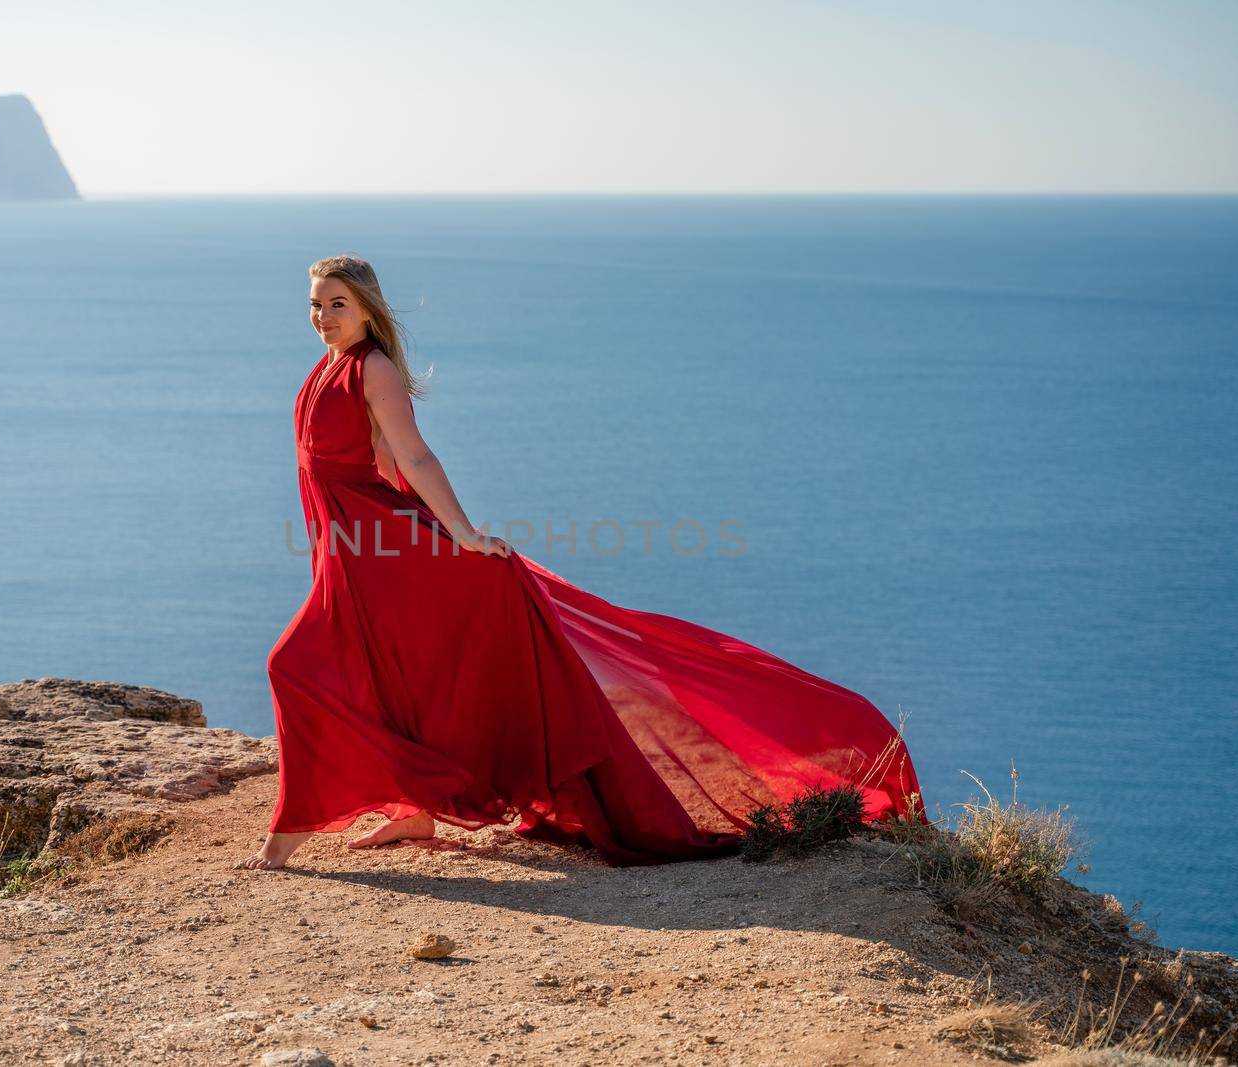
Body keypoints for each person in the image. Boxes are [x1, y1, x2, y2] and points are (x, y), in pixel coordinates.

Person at [237, 253, 924, 871]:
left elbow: (414, 458)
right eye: (316, 304)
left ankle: (285, 839)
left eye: (337, 304)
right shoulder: (323, 369)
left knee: (291, 664)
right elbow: (378, 462)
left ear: (367, 309)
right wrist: (347, 556)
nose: (323, 316)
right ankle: (414, 809)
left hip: (386, 547)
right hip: (360, 551)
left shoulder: (372, 367)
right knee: (392, 672)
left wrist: (465, 536)